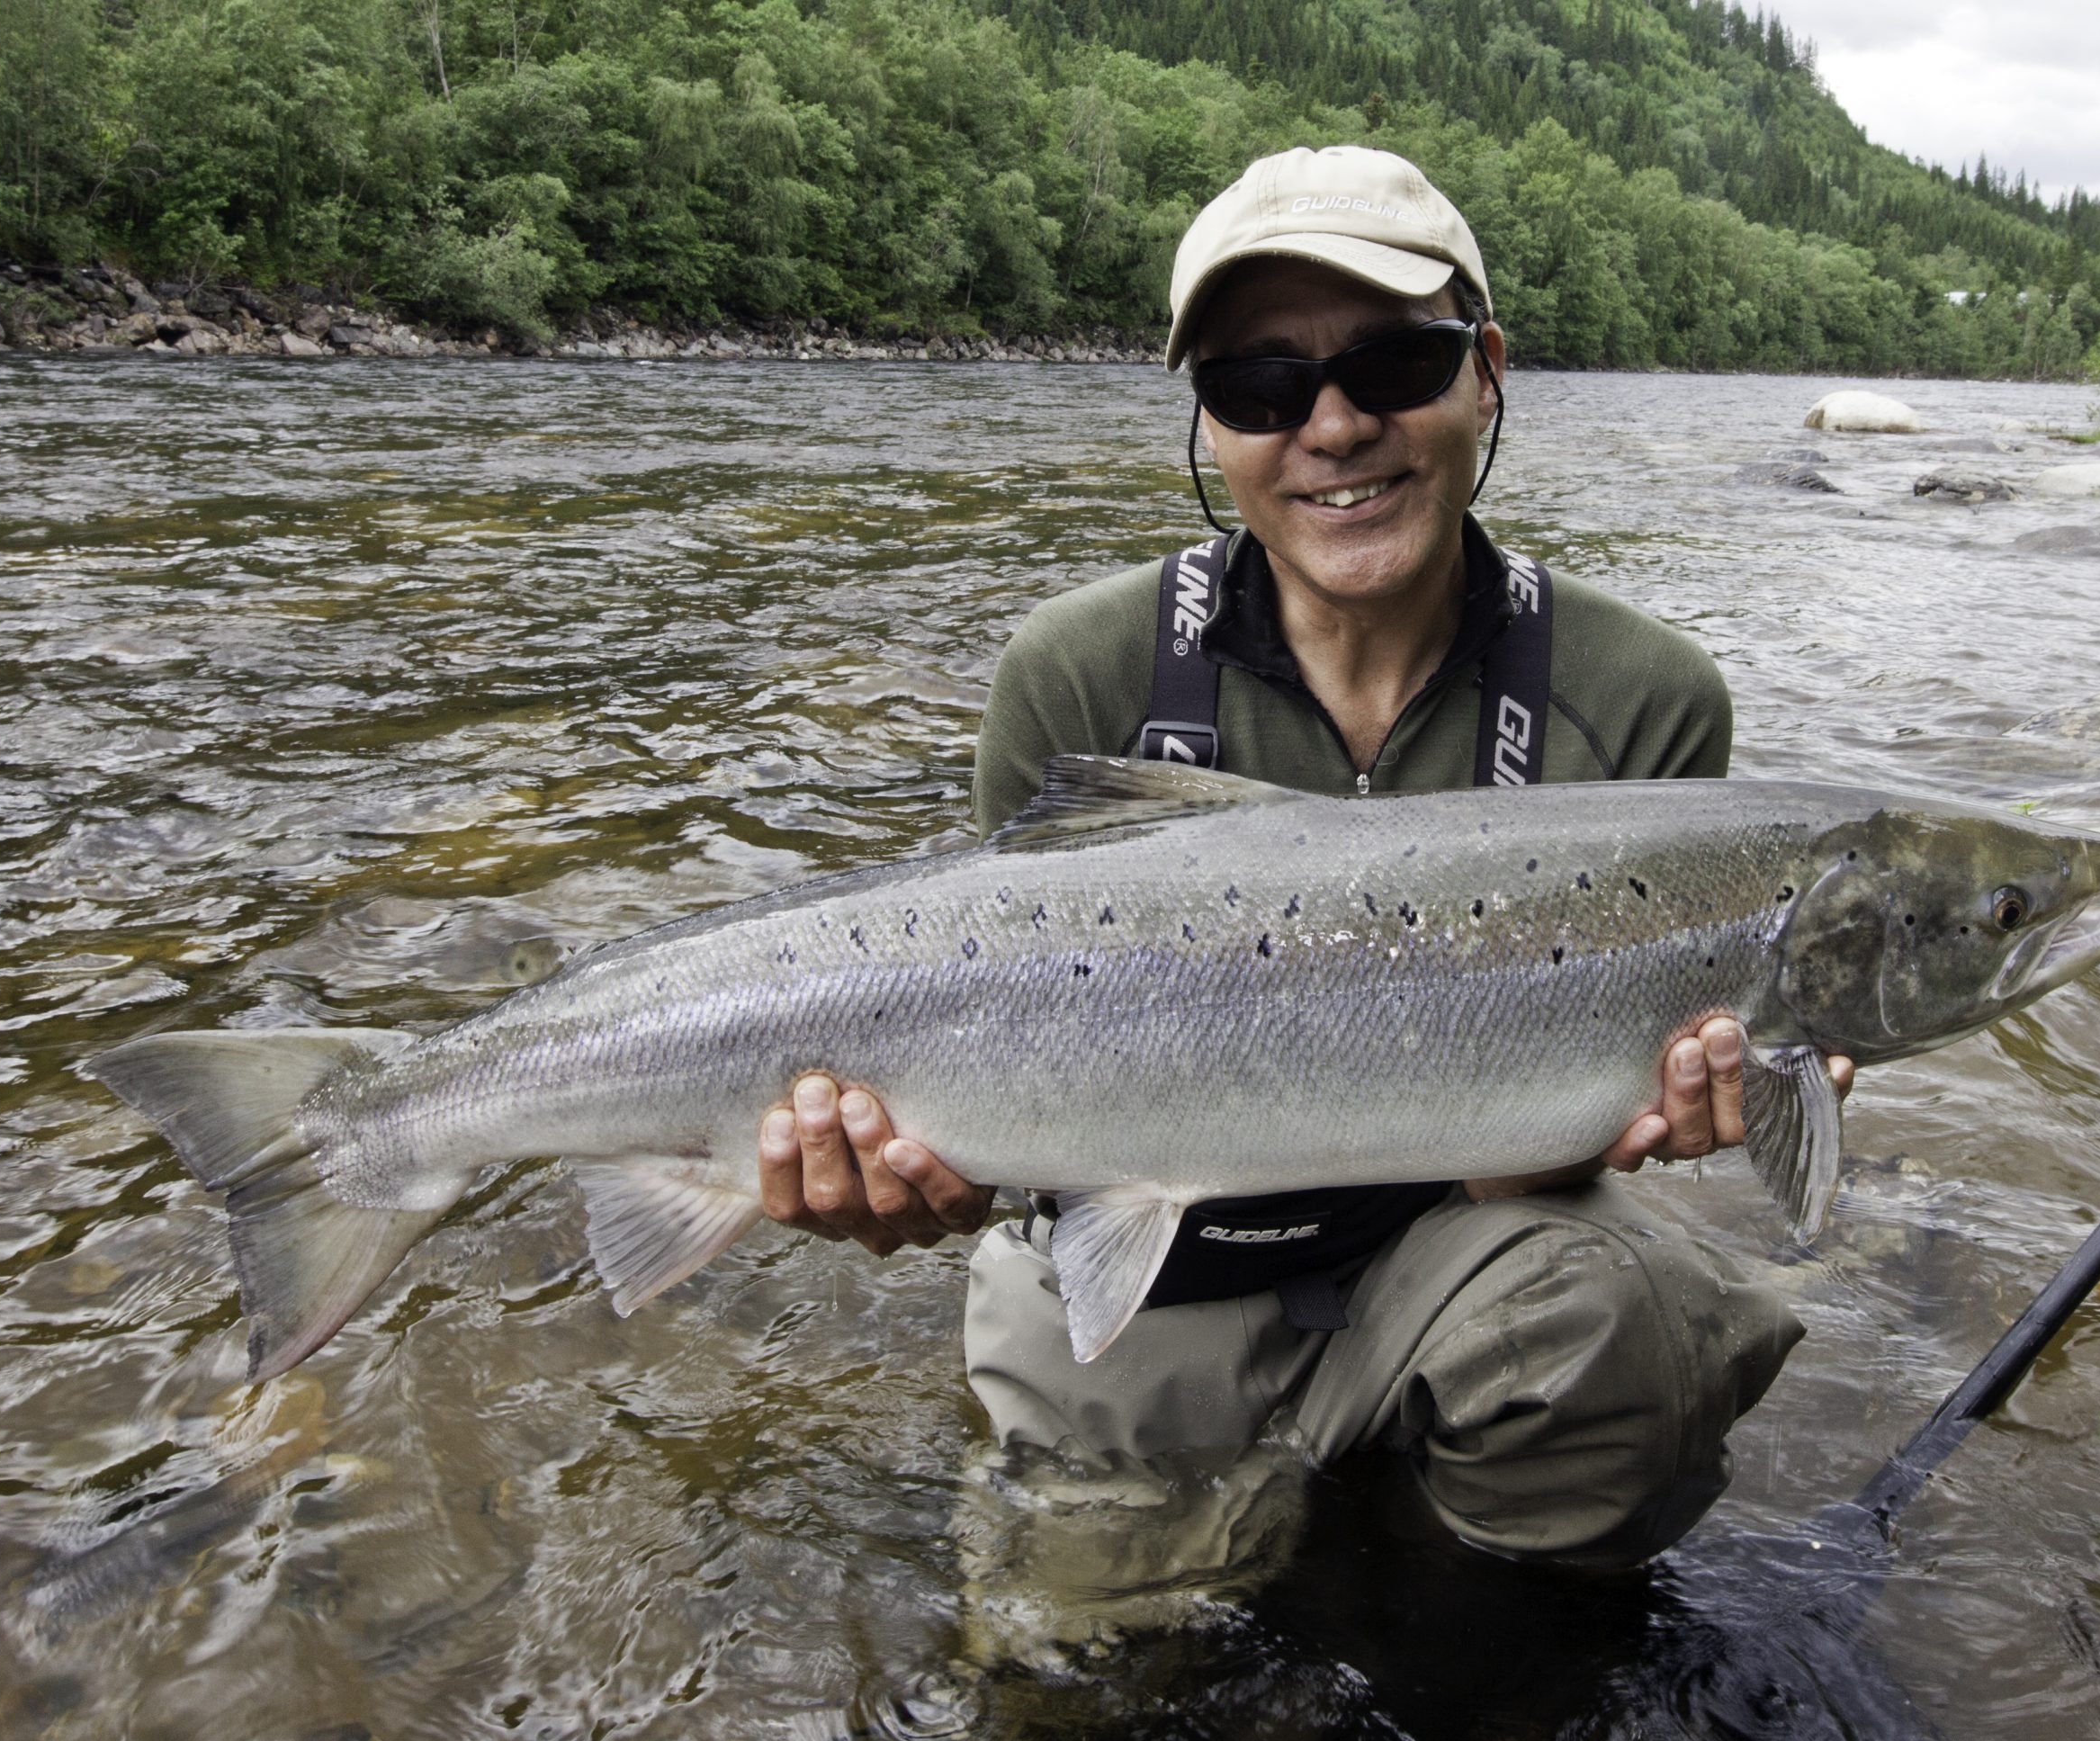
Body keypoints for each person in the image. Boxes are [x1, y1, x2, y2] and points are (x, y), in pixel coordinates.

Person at [752, 146, 1850, 1568]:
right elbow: (991, 1064)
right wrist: (909, 1174)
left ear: (1487, 373)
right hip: (1146, 1288)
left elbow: (1568, 1145)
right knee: (1092, 1646)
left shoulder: (1643, 695)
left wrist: (1675, 1108)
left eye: (1394, 364)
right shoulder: (1076, 671)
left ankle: (1477, 1617)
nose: (1331, 427)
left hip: (1467, 1252)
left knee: (1635, 1342)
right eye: (1258, 388)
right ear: (1213, 427)